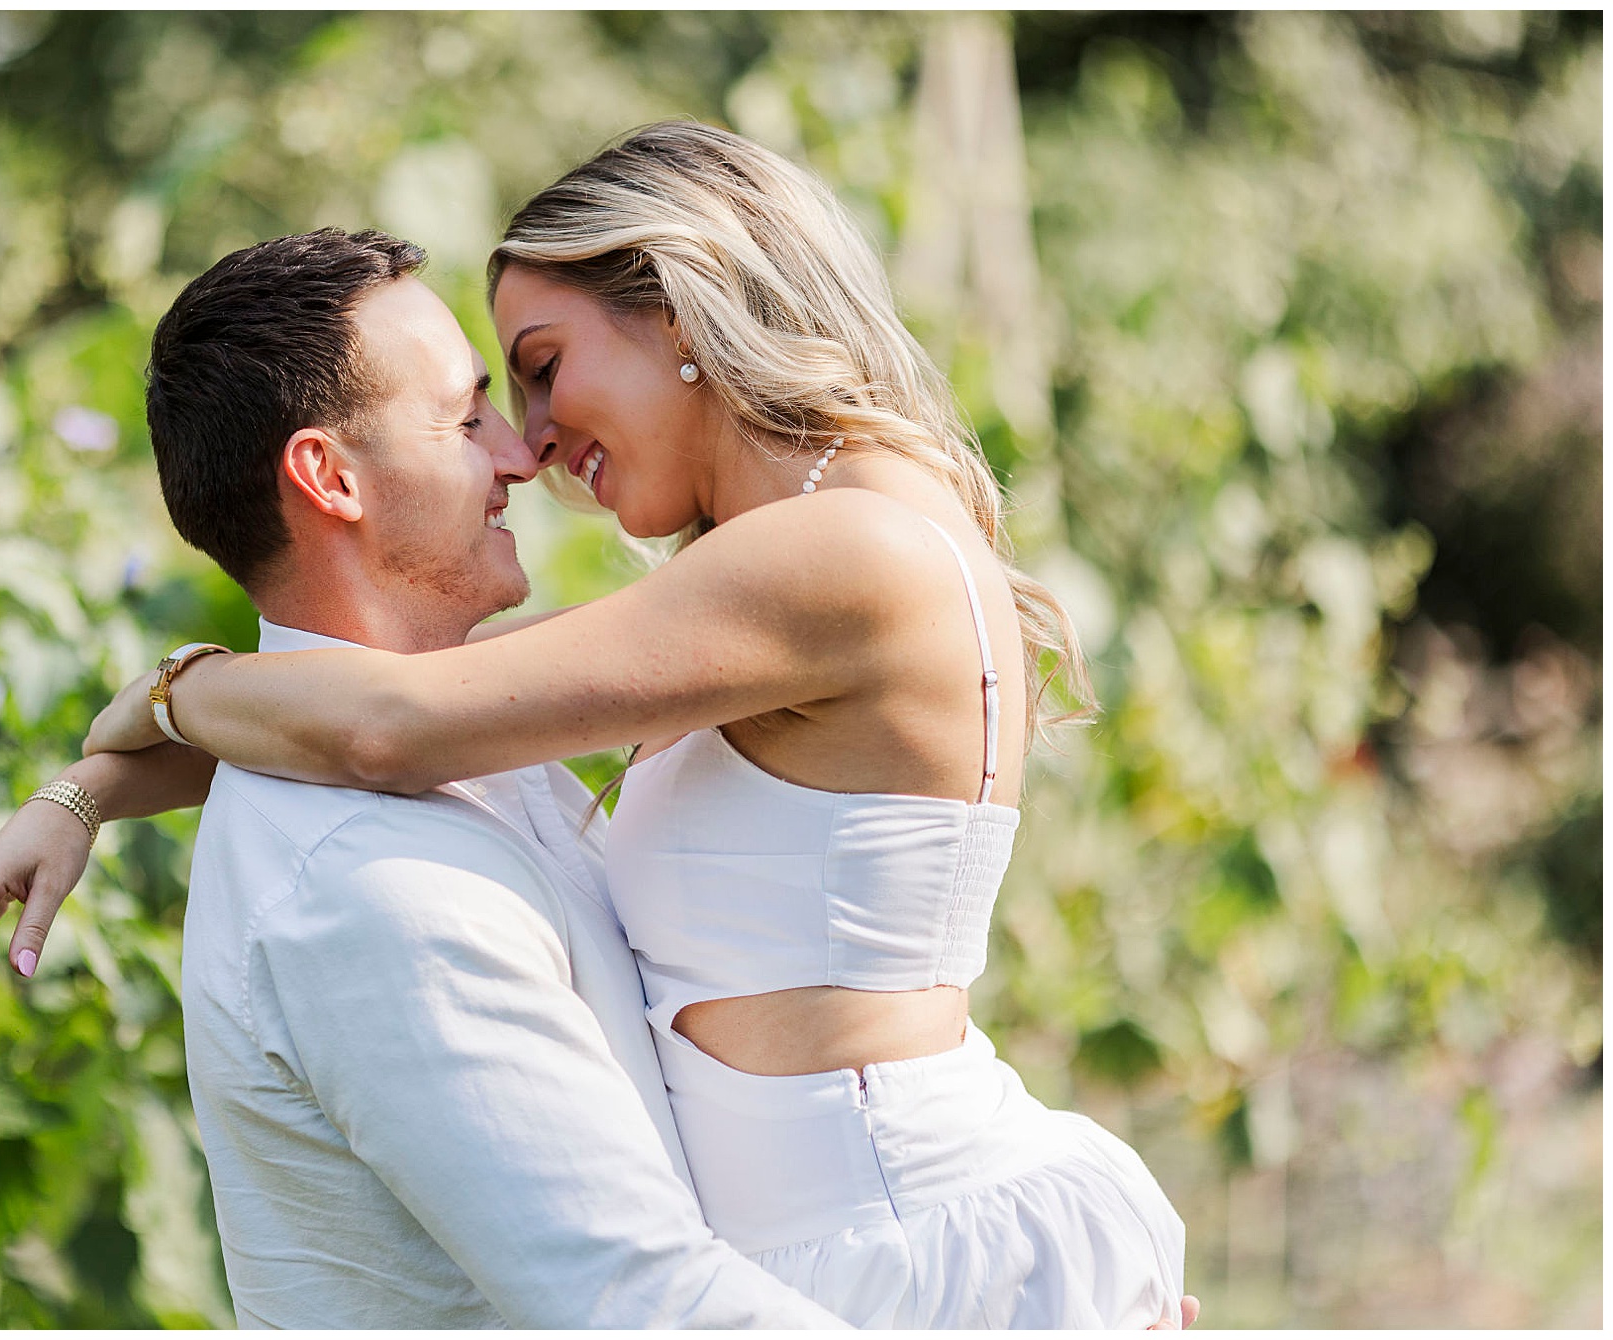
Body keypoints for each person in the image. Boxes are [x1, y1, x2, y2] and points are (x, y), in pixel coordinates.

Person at [72, 122, 1187, 1328]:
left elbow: (391, 719)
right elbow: (384, 696)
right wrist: (78, 792)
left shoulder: (837, 552)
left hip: (889, 1244)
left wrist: (169, 688)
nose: (531, 438)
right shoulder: (771, 565)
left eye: (542, 366)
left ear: (673, 309)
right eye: (492, 401)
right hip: (837, 1240)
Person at [0, 228, 849, 1328]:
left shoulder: (467, 728)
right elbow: (643, 1306)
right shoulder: (368, 889)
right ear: (329, 477)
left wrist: (97, 773)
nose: (521, 454)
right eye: (466, 420)